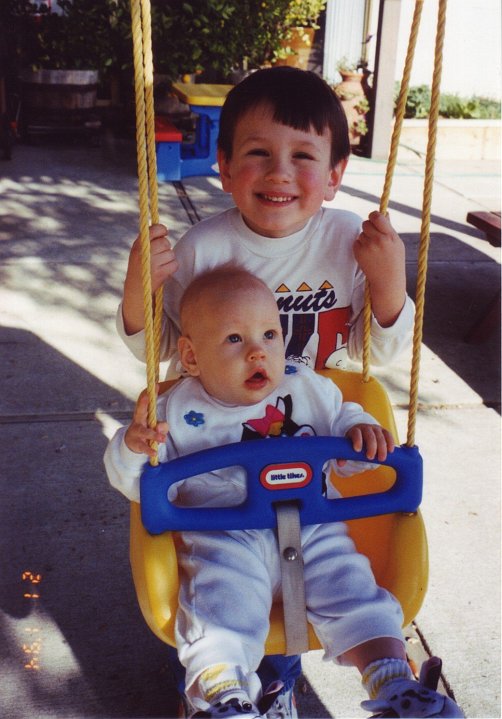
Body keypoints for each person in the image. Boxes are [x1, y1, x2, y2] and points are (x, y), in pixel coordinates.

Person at [117, 66, 414, 715]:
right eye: (258, 154)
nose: (280, 172)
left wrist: (389, 285)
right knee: (229, 578)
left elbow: (380, 355)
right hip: (223, 435)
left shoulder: (349, 243)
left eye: (303, 157)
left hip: (314, 427)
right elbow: (161, 356)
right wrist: (141, 289)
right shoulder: (203, 249)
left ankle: (362, 680)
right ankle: (232, 685)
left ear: (335, 173)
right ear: (224, 167)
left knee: (331, 568)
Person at [105, 267, 463, 719]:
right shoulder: (173, 410)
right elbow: (134, 484)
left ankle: (396, 686)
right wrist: (134, 447)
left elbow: (346, 439)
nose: (258, 351)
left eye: (270, 334)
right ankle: (225, 698)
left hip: (315, 526)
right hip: (226, 538)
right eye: (234, 339)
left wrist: (361, 435)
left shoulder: (305, 384)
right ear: (192, 358)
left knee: (356, 593)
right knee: (219, 606)